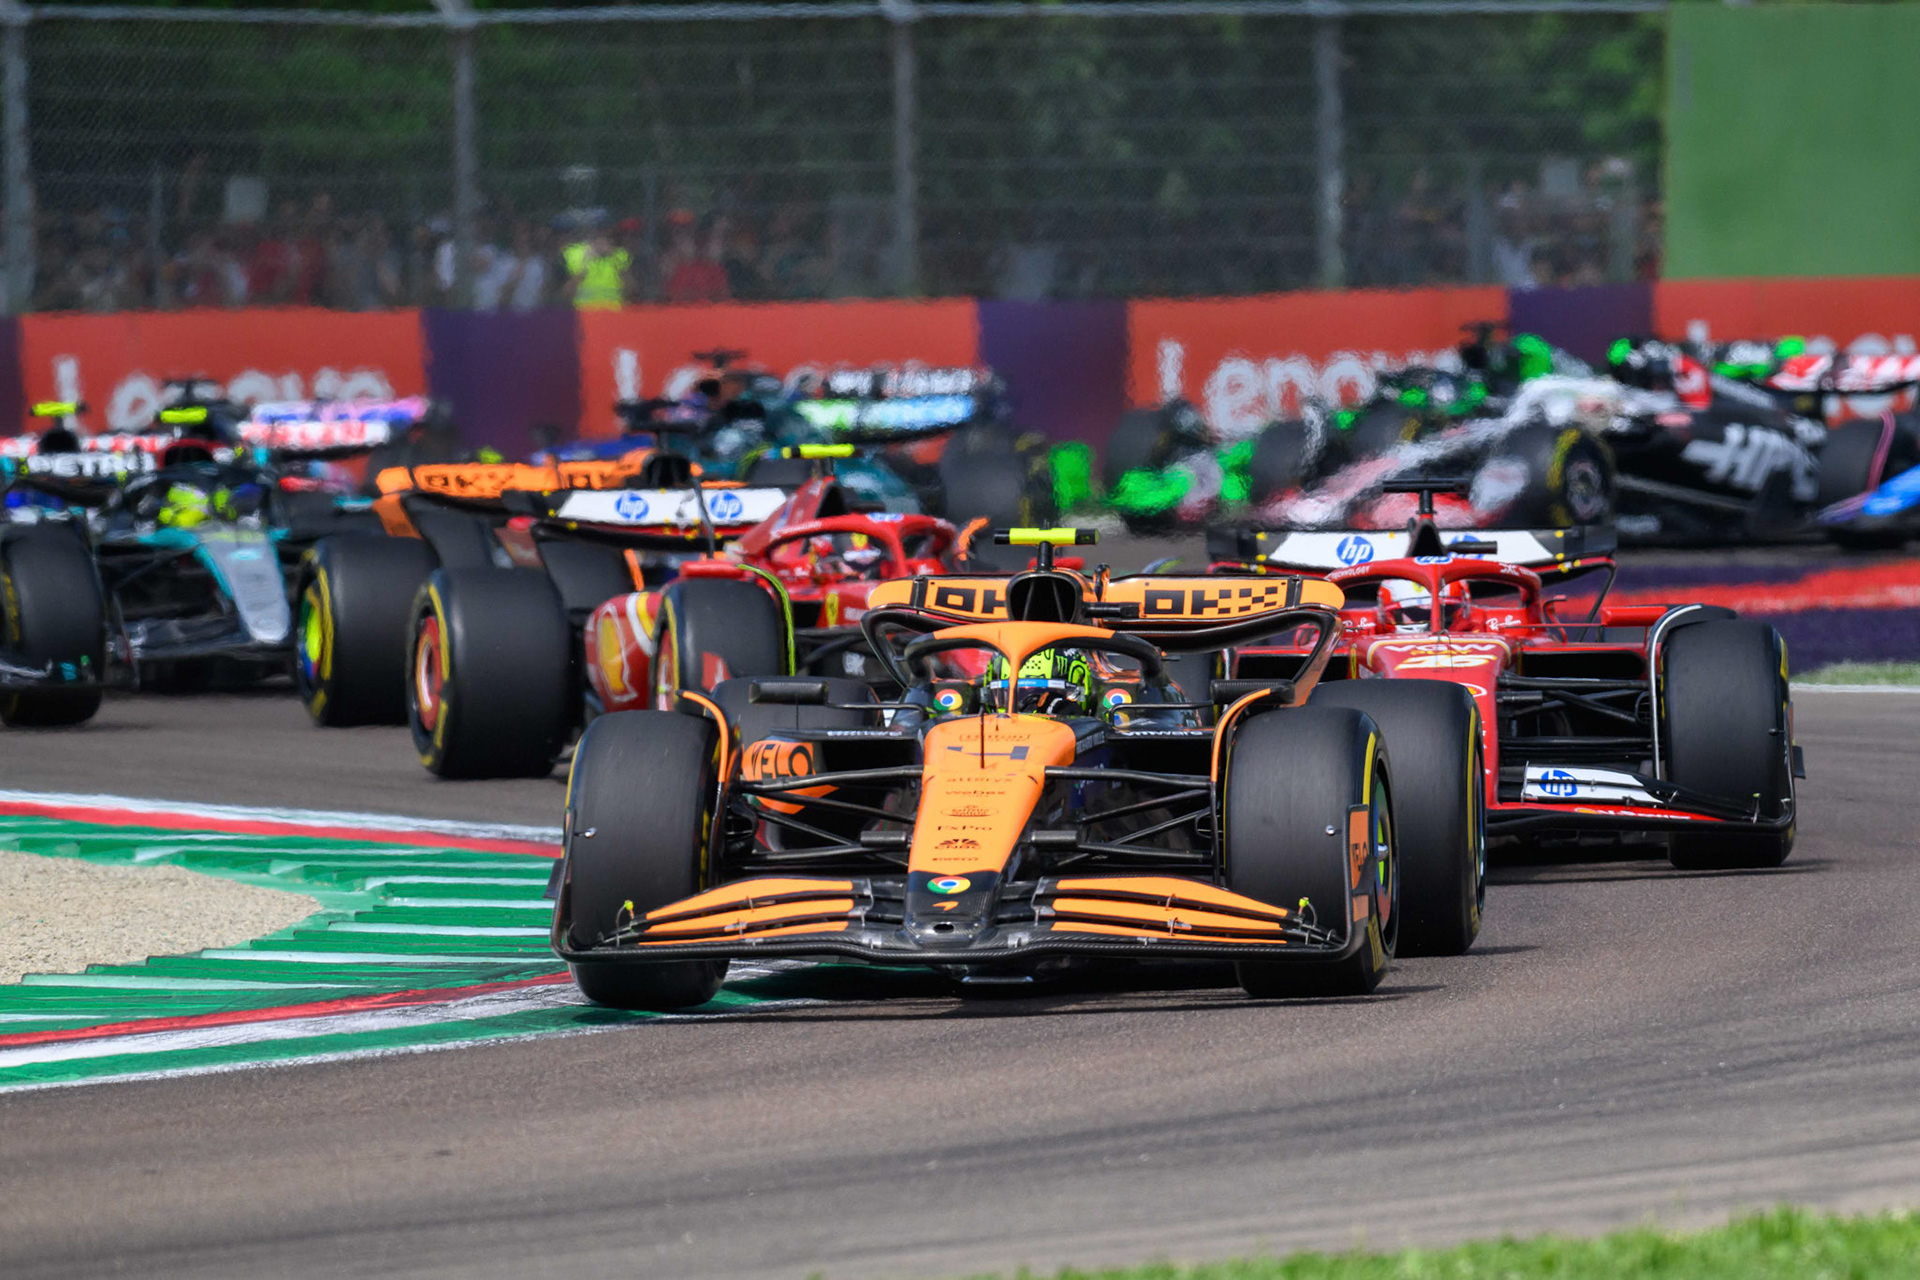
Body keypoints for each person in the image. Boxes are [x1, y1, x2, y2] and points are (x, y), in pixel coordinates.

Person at [561, 223, 630, 310]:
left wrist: (616, 261)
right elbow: (566, 293)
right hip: (584, 311)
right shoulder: (574, 254)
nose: (602, 243)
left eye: (607, 238)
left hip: (613, 311)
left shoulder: (620, 255)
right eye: (599, 238)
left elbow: (632, 290)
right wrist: (586, 263)